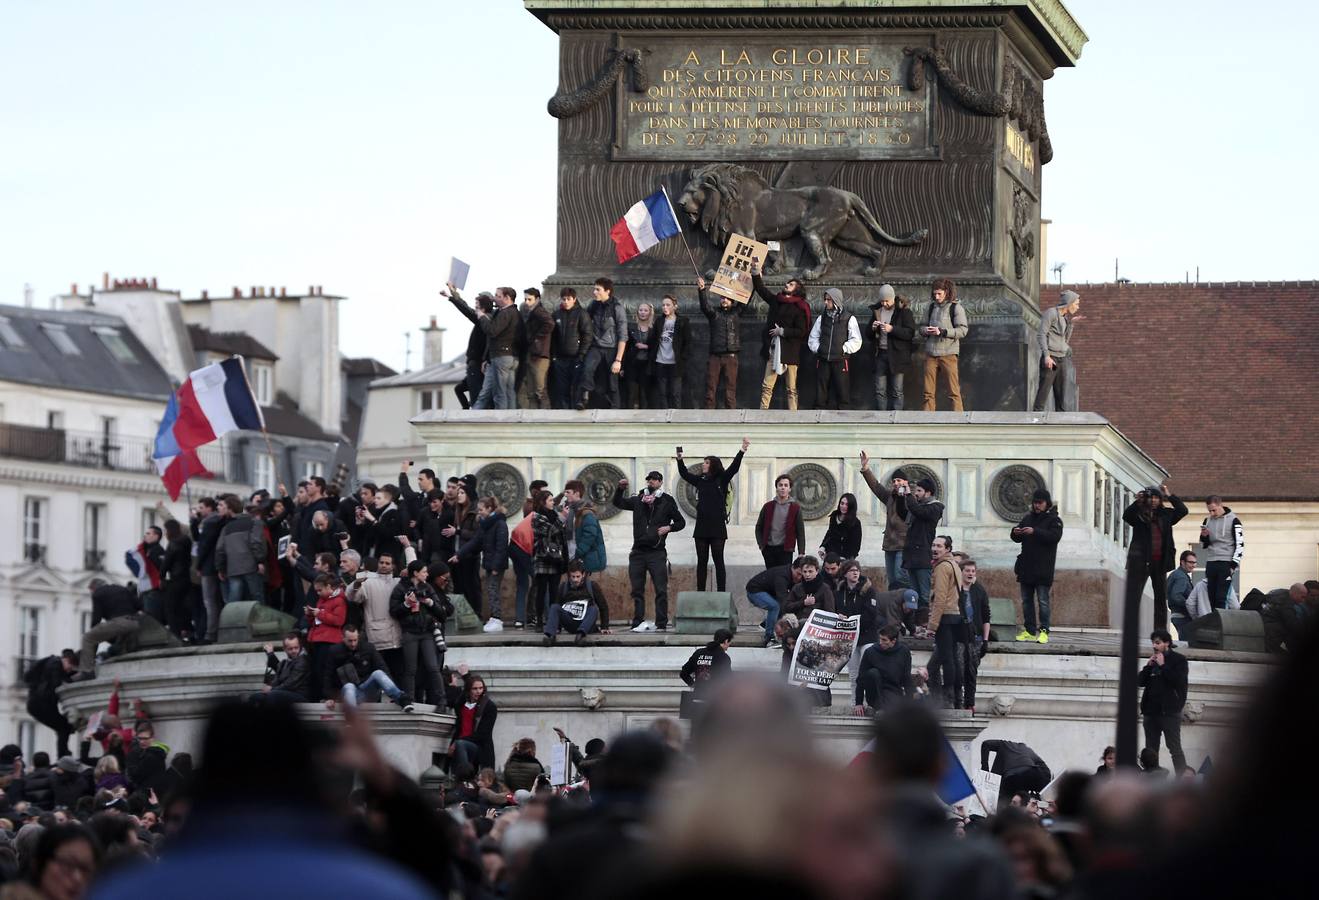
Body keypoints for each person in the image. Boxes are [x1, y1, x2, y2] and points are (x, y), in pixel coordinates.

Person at [614, 472, 686, 632]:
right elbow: (618, 503)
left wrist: (669, 527)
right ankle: (637, 622)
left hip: (657, 552)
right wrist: (620, 489)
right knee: (637, 590)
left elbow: (681, 522)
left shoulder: (667, 501)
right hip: (637, 552)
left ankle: (661, 623)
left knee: (661, 589)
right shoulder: (639, 499)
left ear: (660, 482)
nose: (651, 482)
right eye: (649, 479)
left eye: (654, 479)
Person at [676, 438, 747, 592]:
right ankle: (700, 592)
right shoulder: (700, 480)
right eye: (704, 462)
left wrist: (742, 450)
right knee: (701, 562)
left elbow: (734, 467)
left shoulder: (722, 479)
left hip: (717, 527)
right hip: (701, 527)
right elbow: (684, 474)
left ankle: (721, 593)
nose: (703, 464)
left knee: (718, 561)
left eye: (706, 462)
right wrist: (680, 459)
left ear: (713, 465)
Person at [1122, 484, 1189, 630]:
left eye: (1156, 497)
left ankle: (1160, 631)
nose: (1153, 500)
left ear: (1160, 499)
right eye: (1150, 498)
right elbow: (1126, 516)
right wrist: (1138, 501)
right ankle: (1131, 629)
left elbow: (1183, 510)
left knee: (1160, 599)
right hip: (1141, 562)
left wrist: (1169, 495)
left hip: (1160, 562)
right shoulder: (1139, 514)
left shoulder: (1166, 515)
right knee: (1134, 596)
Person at [751, 266, 811, 410]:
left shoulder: (800, 307)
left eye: (791, 284)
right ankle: (762, 413)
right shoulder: (776, 300)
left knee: (791, 388)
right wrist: (756, 273)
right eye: (787, 283)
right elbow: (761, 290)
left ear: (797, 290)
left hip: (790, 352)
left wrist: (782, 331)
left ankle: (793, 415)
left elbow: (802, 331)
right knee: (767, 385)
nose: (787, 285)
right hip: (774, 349)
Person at [1010, 488, 1064, 644]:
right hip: (1026, 567)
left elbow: (1054, 537)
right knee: (1026, 601)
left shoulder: (1054, 520)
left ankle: (1044, 631)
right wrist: (1015, 532)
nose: (1037, 505)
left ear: (1047, 503)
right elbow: (1016, 538)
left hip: (1043, 569)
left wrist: (1035, 532)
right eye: (1035, 502)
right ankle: (1029, 630)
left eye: (1040, 503)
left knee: (1043, 601)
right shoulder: (1028, 518)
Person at [321, 624, 414, 712]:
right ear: (343, 638)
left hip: (367, 690)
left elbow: (383, 668)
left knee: (378, 673)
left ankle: (402, 699)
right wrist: (329, 697)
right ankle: (353, 718)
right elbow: (328, 675)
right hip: (348, 692)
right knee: (349, 686)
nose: (353, 644)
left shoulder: (368, 648)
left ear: (358, 637)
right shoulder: (335, 651)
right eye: (350, 641)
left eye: (355, 640)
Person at [346, 550, 410, 680]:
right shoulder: (368, 582)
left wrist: (408, 548)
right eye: (381, 562)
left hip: (397, 639)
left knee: (398, 675)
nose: (384, 565)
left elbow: (415, 572)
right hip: (377, 639)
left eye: (387, 563)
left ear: (393, 566)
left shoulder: (398, 582)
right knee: (379, 676)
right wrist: (357, 584)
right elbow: (352, 597)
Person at [389, 561, 445, 705]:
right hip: (409, 632)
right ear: (415, 573)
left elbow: (441, 613)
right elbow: (393, 611)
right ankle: (410, 700)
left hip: (427, 632)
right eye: (424, 571)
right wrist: (406, 604)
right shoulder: (401, 588)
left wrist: (430, 603)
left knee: (433, 667)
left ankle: (441, 701)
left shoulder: (427, 587)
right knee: (410, 669)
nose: (427, 574)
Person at [453, 497, 509, 633]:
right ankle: (494, 617)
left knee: (493, 590)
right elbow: (474, 542)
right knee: (490, 590)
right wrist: (459, 554)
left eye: (481, 510)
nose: (479, 512)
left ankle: (497, 619)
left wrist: (496, 566)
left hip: (496, 565)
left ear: (489, 509)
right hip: (489, 564)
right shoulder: (485, 525)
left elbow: (501, 547)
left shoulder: (500, 524)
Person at [895, 477, 944, 629]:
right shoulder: (917, 506)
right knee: (913, 595)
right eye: (915, 490)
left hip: (923, 557)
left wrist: (909, 495)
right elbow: (903, 513)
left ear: (928, 493)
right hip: (911, 556)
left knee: (923, 595)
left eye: (919, 491)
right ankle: (915, 626)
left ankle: (925, 624)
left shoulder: (935, 507)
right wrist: (900, 497)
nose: (916, 493)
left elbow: (919, 512)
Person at [859, 453, 912, 590]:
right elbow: (876, 486)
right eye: (894, 481)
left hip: (903, 545)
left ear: (906, 482)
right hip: (889, 544)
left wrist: (906, 495)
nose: (896, 483)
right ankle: (893, 600)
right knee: (892, 579)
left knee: (901, 576)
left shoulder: (911, 498)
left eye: (899, 480)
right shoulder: (890, 497)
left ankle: (906, 600)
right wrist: (866, 468)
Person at [1139, 628, 1189, 773]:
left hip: (1169, 712)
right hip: (1151, 712)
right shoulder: (1153, 662)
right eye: (1153, 643)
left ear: (1167, 643)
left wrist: (1163, 665)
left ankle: (1182, 778)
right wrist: (1148, 667)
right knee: (1151, 750)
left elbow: (1178, 681)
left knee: (1174, 748)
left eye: (1158, 643)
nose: (1154, 646)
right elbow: (1140, 682)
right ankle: (1151, 778)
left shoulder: (1179, 660)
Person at [74, 579, 143, 681]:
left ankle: (87, 671)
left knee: (88, 638)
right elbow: (139, 605)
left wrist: (93, 642)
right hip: (135, 623)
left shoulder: (97, 593)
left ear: (93, 588)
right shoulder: (122, 589)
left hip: (119, 623)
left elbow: (96, 620)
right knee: (105, 636)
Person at [577, 277, 629, 410]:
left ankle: (615, 409)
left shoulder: (617, 308)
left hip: (612, 349)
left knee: (612, 383)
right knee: (587, 369)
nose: (594, 292)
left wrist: (618, 360)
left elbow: (623, 336)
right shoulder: (593, 305)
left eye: (597, 289)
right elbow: (584, 323)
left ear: (607, 291)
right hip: (595, 347)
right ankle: (584, 398)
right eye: (594, 289)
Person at [807, 287, 862, 409]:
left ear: (836, 301)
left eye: (828, 300)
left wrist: (843, 349)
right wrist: (819, 349)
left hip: (840, 360)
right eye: (825, 299)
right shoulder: (822, 318)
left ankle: (843, 414)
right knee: (821, 391)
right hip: (823, 360)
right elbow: (813, 337)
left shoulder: (849, 318)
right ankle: (818, 413)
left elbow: (856, 340)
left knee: (843, 390)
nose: (825, 302)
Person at [920, 278, 969, 411]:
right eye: (934, 294)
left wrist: (943, 332)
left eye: (939, 294)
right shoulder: (930, 307)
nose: (936, 297)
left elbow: (963, 330)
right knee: (928, 392)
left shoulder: (955, 308)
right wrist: (926, 330)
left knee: (954, 390)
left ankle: (958, 417)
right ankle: (927, 418)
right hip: (930, 353)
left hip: (949, 353)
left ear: (946, 292)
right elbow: (921, 327)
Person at [442, 282, 492, 409]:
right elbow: (467, 308)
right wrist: (453, 293)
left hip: (476, 364)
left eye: (477, 306)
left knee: (476, 396)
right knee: (460, 389)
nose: (475, 308)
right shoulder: (487, 319)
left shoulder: (484, 319)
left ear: (484, 307)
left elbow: (466, 310)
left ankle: (471, 413)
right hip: (476, 364)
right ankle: (467, 410)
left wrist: (451, 297)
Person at [929, 535, 966, 708]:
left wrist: (932, 625)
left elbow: (940, 598)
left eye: (939, 546)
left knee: (947, 659)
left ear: (948, 549)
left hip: (945, 616)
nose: (935, 549)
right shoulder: (954, 565)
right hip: (955, 615)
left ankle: (948, 697)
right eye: (933, 545)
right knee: (952, 658)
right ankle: (957, 696)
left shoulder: (942, 567)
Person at [697, 275, 744, 409]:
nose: (724, 300)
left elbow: (745, 299)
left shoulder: (736, 312)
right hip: (715, 355)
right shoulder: (715, 313)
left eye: (727, 298)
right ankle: (709, 413)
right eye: (722, 298)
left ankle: (731, 414)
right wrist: (702, 290)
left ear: (732, 301)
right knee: (711, 386)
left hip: (731, 355)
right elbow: (705, 306)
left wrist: (754, 278)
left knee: (731, 388)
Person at [473, 286, 523, 411]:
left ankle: (502, 419)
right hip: (512, 356)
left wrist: (482, 316)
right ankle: (511, 417)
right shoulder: (516, 313)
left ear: (507, 298)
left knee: (499, 391)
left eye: (498, 296)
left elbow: (492, 331)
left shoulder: (505, 313)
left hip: (501, 356)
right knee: (509, 391)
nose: (494, 298)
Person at [1033, 289, 1084, 411]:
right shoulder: (1051, 313)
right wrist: (1047, 356)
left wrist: (1071, 324)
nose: (1077, 307)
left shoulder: (1064, 318)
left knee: (1061, 394)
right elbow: (1041, 334)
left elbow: (1064, 341)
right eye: (1076, 304)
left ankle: (1060, 418)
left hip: (1061, 360)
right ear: (1069, 302)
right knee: (1044, 391)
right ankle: (1036, 417)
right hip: (1052, 359)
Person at [868, 284, 916, 410]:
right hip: (880, 354)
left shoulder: (903, 312)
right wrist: (873, 328)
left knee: (897, 390)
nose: (884, 304)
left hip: (897, 355)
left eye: (887, 301)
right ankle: (882, 417)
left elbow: (910, 333)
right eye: (882, 301)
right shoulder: (877, 311)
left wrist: (892, 329)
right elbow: (868, 335)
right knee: (879, 390)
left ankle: (897, 416)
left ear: (893, 298)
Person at [543, 559, 611, 646]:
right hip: (570, 622)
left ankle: (580, 635)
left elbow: (603, 606)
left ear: (583, 574)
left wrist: (604, 627)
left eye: (578, 576)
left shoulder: (592, 586)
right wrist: (557, 627)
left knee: (593, 609)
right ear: (569, 576)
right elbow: (558, 607)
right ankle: (550, 636)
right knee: (554, 607)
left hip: (586, 623)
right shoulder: (563, 587)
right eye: (573, 576)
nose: (575, 580)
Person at [215, 497, 268, 606]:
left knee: (234, 600)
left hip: (233, 569)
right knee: (256, 598)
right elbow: (256, 542)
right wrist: (260, 561)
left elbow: (220, 549)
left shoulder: (226, 528)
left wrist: (220, 568)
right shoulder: (254, 523)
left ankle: (232, 618)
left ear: (230, 509)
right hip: (251, 566)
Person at [446, 669, 498, 781]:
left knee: (460, 744)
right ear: (469, 690)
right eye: (475, 689)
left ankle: (466, 778)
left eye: (481, 688)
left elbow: (483, 734)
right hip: (460, 743)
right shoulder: (462, 704)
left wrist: (457, 742)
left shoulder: (489, 707)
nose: (478, 691)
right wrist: (454, 685)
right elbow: (452, 701)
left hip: (479, 746)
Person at [304, 572, 348, 702]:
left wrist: (320, 614)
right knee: (316, 670)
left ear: (328, 586)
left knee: (323, 670)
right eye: (316, 591)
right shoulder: (322, 600)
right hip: (317, 639)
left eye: (320, 590)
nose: (318, 593)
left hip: (329, 641)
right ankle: (317, 696)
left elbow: (339, 620)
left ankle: (326, 696)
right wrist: (310, 615)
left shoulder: (339, 600)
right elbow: (316, 622)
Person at [23, 650, 76, 756]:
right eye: (70, 666)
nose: (69, 670)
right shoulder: (55, 664)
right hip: (40, 705)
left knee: (63, 726)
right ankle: (63, 755)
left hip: (38, 704)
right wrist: (68, 681)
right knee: (64, 727)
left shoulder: (52, 663)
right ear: (66, 660)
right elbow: (56, 683)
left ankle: (63, 753)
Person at [529, 488, 567, 629]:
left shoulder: (554, 514)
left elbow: (561, 534)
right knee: (541, 591)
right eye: (550, 500)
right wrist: (562, 518)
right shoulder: (537, 517)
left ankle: (553, 621)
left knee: (554, 592)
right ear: (542, 502)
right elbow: (551, 532)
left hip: (555, 558)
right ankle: (539, 621)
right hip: (543, 557)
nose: (553, 503)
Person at [549, 287, 592, 410]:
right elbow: (552, 337)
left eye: (568, 299)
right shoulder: (556, 314)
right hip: (560, 359)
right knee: (562, 390)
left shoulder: (581, 314)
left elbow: (587, 335)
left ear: (574, 299)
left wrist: (582, 355)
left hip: (576, 357)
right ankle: (564, 413)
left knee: (577, 388)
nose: (566, 302)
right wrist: (554, 357)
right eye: (564, 299)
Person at [744, 559, 803, 648]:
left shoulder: (793, 576)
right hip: (754, 591)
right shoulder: (782, 576)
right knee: (775, 606)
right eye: (798, 574)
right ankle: (769, 639)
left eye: (802, 575)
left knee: (781, 606)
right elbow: (783, 601)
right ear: (792, 568)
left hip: (767, 591)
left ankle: (765, 624)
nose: (799, 578)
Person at [853, 625, 911, 714]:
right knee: (873, 673)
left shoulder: (904, 652)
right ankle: (879, 708)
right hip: (874, 691)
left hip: (893, 690)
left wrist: (910, 702)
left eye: (884, 640)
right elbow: (861, 678)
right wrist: (858, 703)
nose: (881, 642)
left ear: (893, 641)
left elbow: (907, 678)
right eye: (880, 639)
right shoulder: (870, 652)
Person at [958, 559, 992, 712]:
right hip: (958, 637)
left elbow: (986, 616)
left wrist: (985, 640)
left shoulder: (979, 590)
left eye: (973, 571)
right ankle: (957, 701)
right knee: (958, 670)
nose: (970, 574)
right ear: (961, 572)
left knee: (971, 672)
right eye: (967, 571)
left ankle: (969, 703)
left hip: (975, 638)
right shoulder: (955, 589)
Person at [1199, 496, 1244, 610]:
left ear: (1220, 505)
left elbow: (1240, 545)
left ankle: (1221, 620)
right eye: (1209, 511)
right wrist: (1204, 537)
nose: (1212, 513)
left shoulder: (1234, 520)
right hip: (1211, 562)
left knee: (1221, 598)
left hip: (1226, 562)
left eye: (1214, 510)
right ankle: (1215, 620)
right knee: (1211, 598)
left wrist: (1233, 566)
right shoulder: (1207, 521)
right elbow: (1203, 545)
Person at [980, 739, 1051, 807]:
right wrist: (1045, 787)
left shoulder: (1004, 744)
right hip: (1031, 773)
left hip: (1012, 776)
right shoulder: (1027, 750)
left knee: (1005, 801)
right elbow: (1044, 768)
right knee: (1024, 798)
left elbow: (986, 744)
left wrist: (984, 769)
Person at [755, 474, 805, 569]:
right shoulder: (768, 506)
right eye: (780, 485)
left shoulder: (795, 508)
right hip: (769, 549)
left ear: (789, 489)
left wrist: (801, 552)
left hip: (786, 549)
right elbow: (759, 527)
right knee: (771, 575)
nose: (783, 488)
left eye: (786, 485)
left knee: (784, 575)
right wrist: (761, 545)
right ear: (777, 488)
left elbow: (800, 531)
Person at [650, 293, 691, 408]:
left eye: (668, 305)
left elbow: (688, 341)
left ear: (675, 306)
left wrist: (683, 357)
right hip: (661, 361)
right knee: (662, 393)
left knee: (675, 392)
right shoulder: (659, 321)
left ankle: (676, 415)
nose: (665, 307)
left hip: (675, 362)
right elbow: (653, 340)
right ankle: (664, 414)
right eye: (663, 305)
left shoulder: (682, 321)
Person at [517, 287, 554, 410]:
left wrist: (537, 338)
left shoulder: (539, 311)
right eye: (525, 299)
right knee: (532, 391)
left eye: (529, 299)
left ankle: (544, 415)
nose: (527, 302)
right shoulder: (532, 312)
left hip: (539, 355)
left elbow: (550, 323)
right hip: (534, 354)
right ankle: (535, 416)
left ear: (537, 299)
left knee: (540, 390)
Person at [247, 633, 309, 704]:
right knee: (255, 697)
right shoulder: (284, 662)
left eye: (296, 648)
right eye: (290, 649)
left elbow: (290, 684)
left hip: (299, 694)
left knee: (273, 695)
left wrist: (272, 689)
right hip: (285, 692)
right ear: (284, 649)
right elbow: (277, 680)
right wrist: (270, 687)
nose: (294, 651)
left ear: (300, 647)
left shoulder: (302, 661)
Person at [160, 518, 194, 641]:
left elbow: (167, 562)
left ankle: (175, 635)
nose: (165, 533)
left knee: (170, 608)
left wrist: (161, 576)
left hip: (175, 579)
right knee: (183, 607)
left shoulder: (173, 543)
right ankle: (188, 631)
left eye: (165, 530)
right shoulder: (186, 541)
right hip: (187, 578)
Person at [622, 301, 656, 408]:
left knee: (644, 394)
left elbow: (657, 346)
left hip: (647, 365)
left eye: (645, 310)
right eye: (641, 310)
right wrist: (622, 366)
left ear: (650, 312)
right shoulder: (631, 328)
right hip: (632, 364)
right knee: (630, 394)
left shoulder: (654, 329)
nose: (643, 312)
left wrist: (646, 347)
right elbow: (625, 348)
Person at [679, 628, 733, 696]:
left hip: (697, 695)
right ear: (726, 641)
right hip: (714, 698)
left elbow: (683, 673)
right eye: (729, 642)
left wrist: (693, 684)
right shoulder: (724, 657)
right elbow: (728, 679)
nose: (729, 645)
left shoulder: (698, 653)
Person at [818, 492, 862, 561]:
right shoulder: (834, 517)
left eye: (847, 504)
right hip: (830, 556)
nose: (844, 506)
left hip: (844, 558)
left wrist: (846, 558)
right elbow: (830, 534)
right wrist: (822, 547)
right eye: (842, 503)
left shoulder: (855, 523)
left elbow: (856, 545)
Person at [1166, 550, 1198, 639]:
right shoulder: (1181, 577)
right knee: (1187, 643)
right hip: (1182, 616)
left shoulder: (1176, 574)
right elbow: (1176, 596)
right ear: (1182, 562)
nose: (1193, 565)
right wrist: (1190, 605)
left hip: (1178, 615)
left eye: (1195, 563)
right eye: (1191, 562)